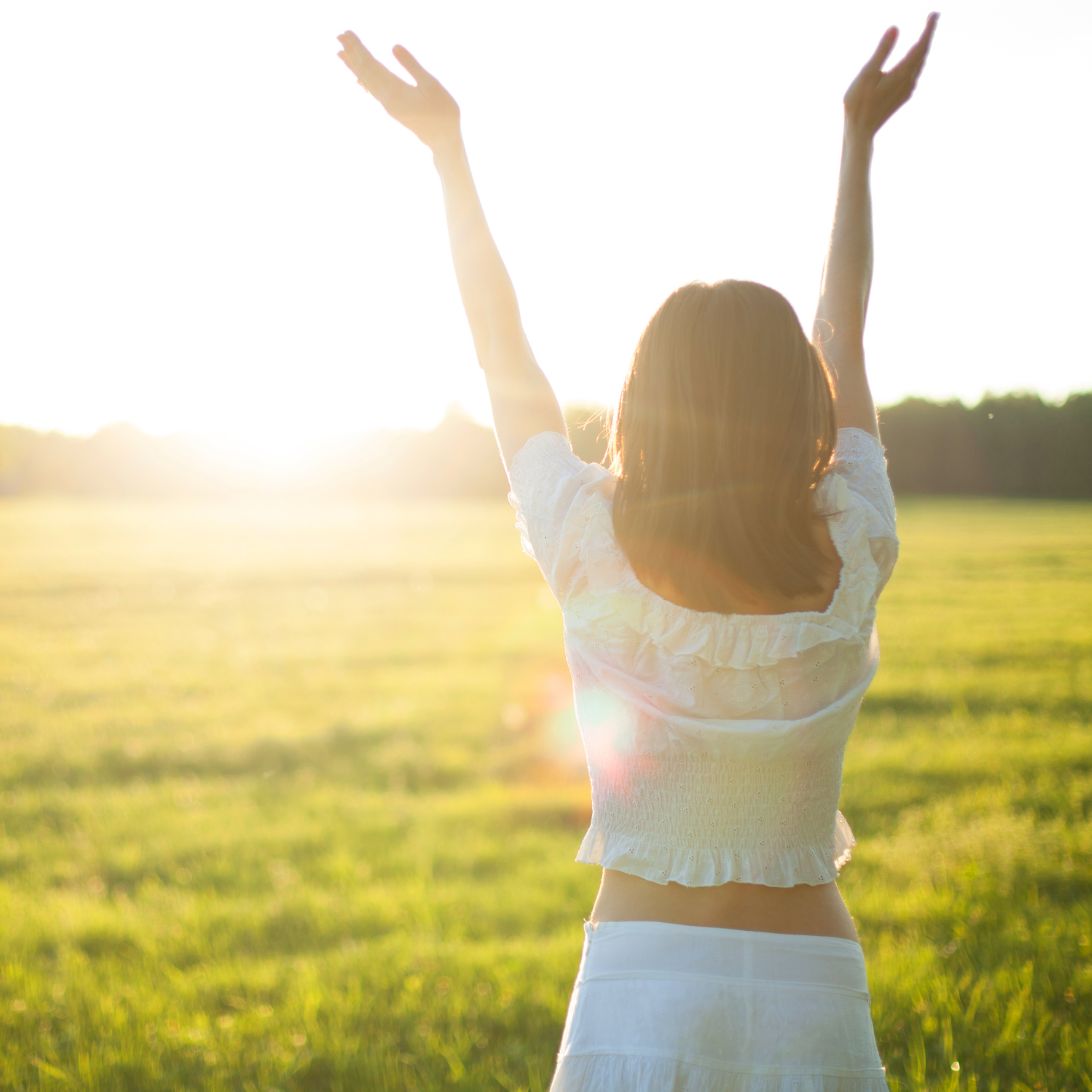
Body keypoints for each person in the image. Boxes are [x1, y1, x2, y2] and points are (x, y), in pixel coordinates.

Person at [339, 13, 938, 1090]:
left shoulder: (585, 540)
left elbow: (501, 349)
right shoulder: (856, 542)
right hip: (812, 989)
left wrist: (448, 153)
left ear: (643, 401)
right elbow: (844, 332)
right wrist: (859, 140)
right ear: (798, 405)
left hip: (640, 980)